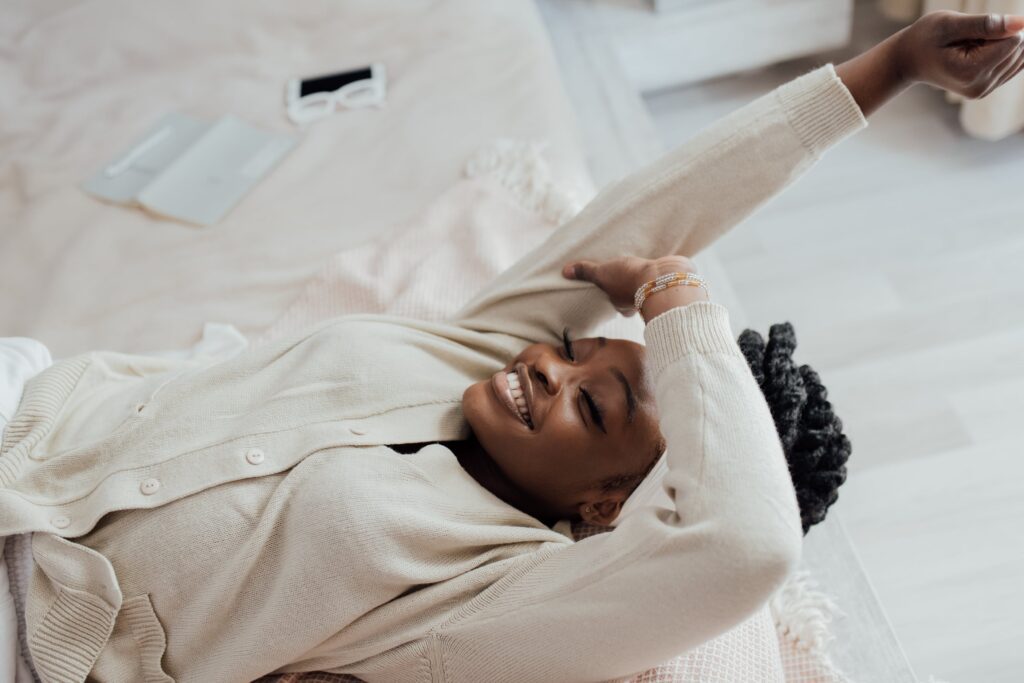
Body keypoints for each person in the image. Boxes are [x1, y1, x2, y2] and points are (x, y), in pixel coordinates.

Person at [1, 10, 1022, 683]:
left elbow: (745, 544)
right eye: (583, 357)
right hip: (32, 410)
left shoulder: (510, 588)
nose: (552, 364)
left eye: (595, 405)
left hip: (30, 619)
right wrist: (887, 68)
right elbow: (649, 213)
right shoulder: (475, 351)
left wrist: (678, 301)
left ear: (611, 503)